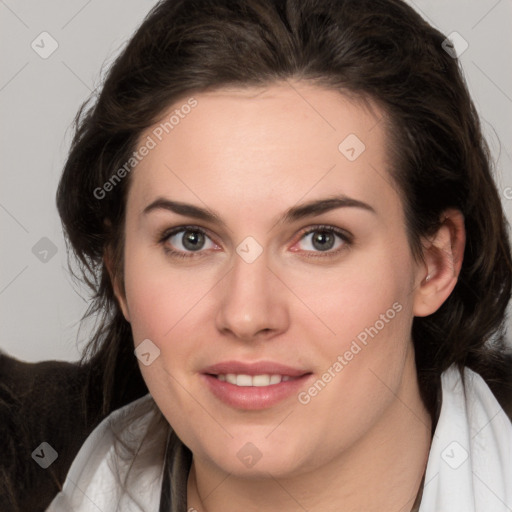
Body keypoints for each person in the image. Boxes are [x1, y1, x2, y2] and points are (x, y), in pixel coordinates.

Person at [43, 0, 512, 510]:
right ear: (119, 274)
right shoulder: (28, 467)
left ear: (434, 264)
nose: (247, 315)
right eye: (191, 239)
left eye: (321, 239)